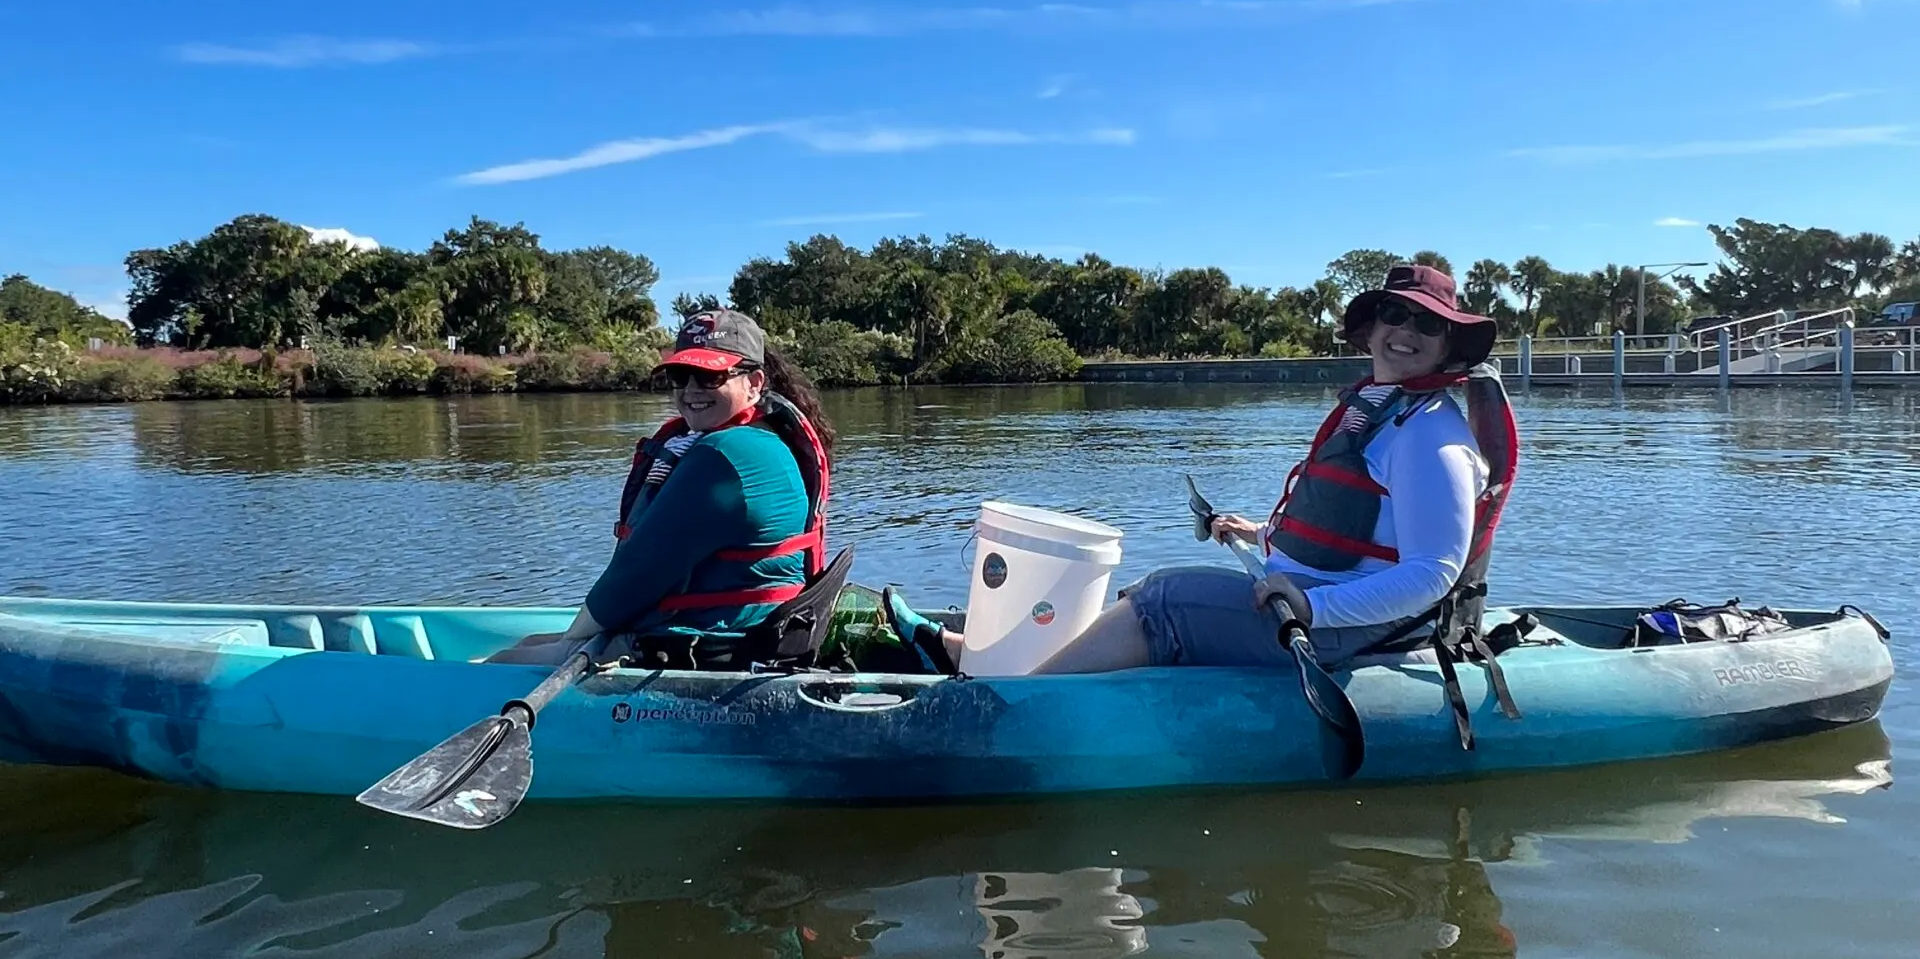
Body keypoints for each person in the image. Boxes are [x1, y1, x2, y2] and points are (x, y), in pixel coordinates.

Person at [883, 264, 1504, 676]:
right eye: (1397, 316)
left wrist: (1315, 612)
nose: (1407, 333)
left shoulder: (1430, 435)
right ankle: (976, 655)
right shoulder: (1380, 409)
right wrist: (1259, 535)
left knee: (1168, 598)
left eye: (1428, 324)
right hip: (1310, 603)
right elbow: (1354, 526)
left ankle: (1012, 699)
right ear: (1372, 329)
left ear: (1449, 343)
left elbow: (1433, 573)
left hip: (1350, 628)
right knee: (1151, 586)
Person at [487, 308, 835, 667]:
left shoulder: (726, 453)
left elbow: (636, 575)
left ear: (755, 382)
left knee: (506, 661)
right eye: (681, 376)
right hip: (751, 633)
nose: (691, 390)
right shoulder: (766, 438)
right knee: (531, 643)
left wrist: (571, 638)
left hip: (710, 646)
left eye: (709, 377)